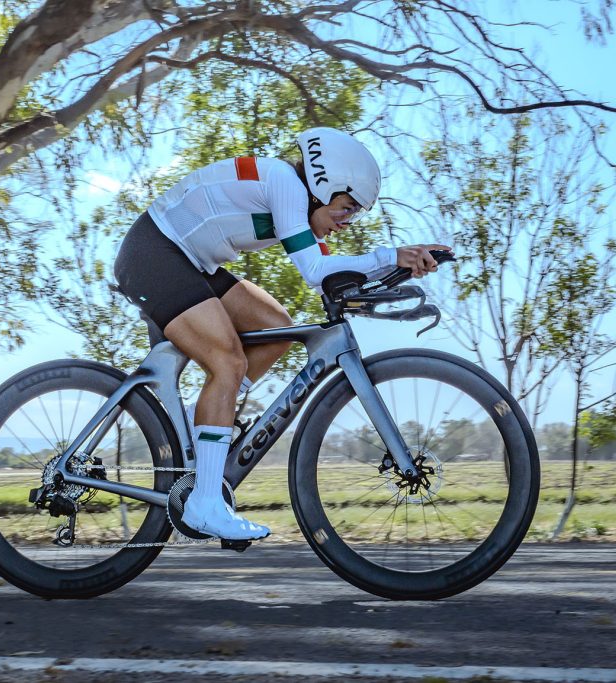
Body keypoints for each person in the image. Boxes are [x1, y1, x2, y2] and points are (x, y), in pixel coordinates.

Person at [114, 127, 451, 541]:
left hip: (188, 260)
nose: (347, 223)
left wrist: (401, 266)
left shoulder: (295, 202)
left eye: (355, 215)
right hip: (154, 254)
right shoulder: (285, 184)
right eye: (346, 209)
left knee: (276, 327)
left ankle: (207, 420)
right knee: (227, 362)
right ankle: (205, 503)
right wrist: (390, 255)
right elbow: (315, 271)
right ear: (322, 187)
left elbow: (334, 277)